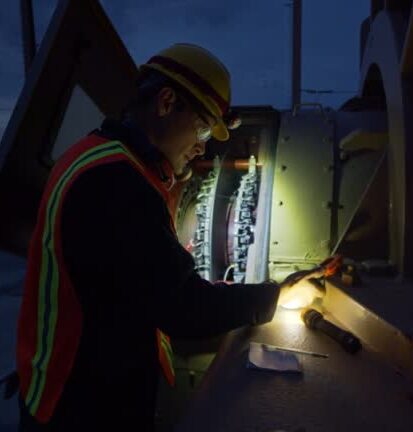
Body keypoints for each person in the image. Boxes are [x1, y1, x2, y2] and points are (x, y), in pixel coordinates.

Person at [15, 43, 324, 431]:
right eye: (200, 127)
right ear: (165, 102)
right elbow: (182, 307)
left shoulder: (92, 154)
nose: (201, 147)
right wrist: (272, 296)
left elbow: (138, 279)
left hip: (60, 384)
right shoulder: (117, 183)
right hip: (82, 406)